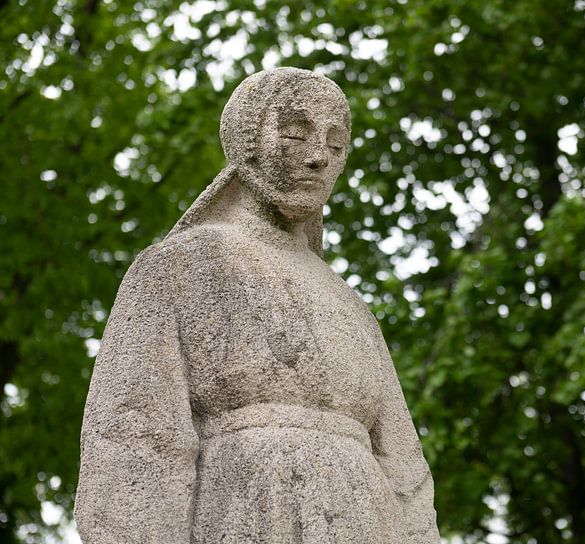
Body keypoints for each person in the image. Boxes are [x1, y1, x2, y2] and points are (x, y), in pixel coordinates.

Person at [74, 67, 440, 543]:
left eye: (335, 145)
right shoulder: (178, 267)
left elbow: (404, 466)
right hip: (243, 513)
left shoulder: (349, 304)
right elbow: (134, 436)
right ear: (245, 140)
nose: (318, 159)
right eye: (294, 134)